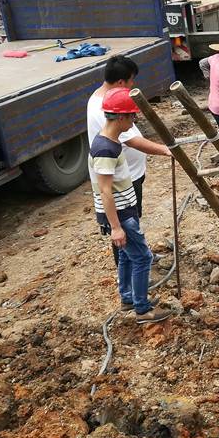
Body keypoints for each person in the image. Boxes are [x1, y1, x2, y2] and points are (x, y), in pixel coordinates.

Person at [89, 88, 172, 324]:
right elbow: (105, 191)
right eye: (132, 116)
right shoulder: (106, 148)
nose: (134, 121)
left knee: (127, 257)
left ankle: (128, 298)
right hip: (122, 214)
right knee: (143, 257)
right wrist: (116, 227)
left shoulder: (110, 141)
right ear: (122, 117)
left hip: (126, 210)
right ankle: (142, 309)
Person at [87, 55, 171, 266]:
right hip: (122, 180)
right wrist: (166, 150)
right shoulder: (107, 108)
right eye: (131, 80)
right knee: (123, 226)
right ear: (120, 82)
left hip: (129, 174)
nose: (133, 85)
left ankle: (140, 256)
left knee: (132, 223)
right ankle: (134, 268)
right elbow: (132, 140)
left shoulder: (104, 98)